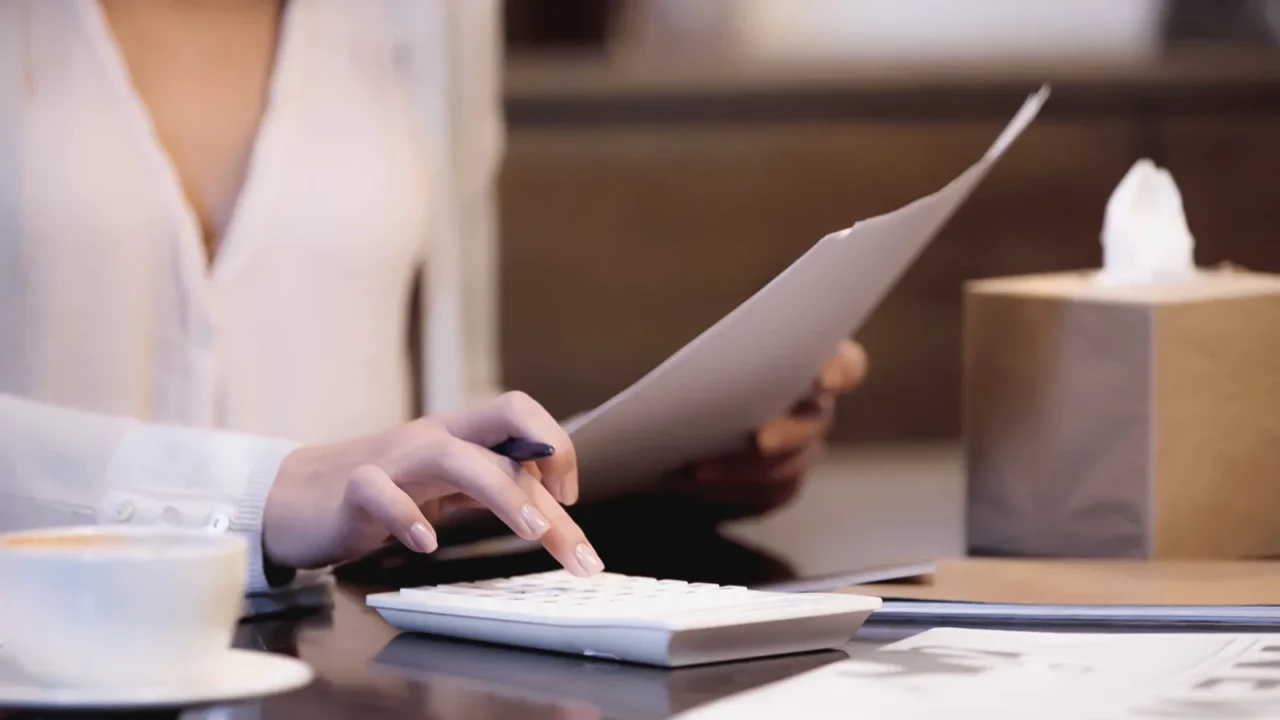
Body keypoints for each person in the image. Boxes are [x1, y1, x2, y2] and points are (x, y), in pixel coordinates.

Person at [0, 0, 867, 592]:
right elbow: (303, 488)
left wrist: (663, 471)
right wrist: (262, 491)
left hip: (350, 676)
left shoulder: (433, 14)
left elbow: (447, 406)